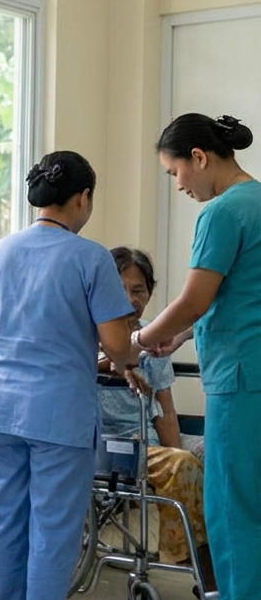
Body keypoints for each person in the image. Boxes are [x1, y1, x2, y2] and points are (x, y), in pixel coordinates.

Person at [0, 151, 135, 600]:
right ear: (82, 198)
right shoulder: (89, 258)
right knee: (54, 524)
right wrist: (134, 353)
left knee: (5, 517)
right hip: (57, 414)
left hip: (1, 407)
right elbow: (116, 344)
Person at [134, 113, 261, 600]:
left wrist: (138, 337)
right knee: (247, 504)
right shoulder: (257, 202)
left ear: (200, 157)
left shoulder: (222, 211)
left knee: (235, 511)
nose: (179, 185)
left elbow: (192, 297)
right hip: (249, 371)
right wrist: (182, 335)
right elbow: (235, 295)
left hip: (241, 379)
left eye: (175, 171)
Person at [100, 246, 211, 578]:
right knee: (182, 464)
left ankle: (225, 557)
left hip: (150, 445)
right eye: (120, 289)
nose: (131, 299)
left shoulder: (152, 333)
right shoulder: (89, 333)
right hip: (112, 448)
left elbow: (166, 410)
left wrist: (176, 452)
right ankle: (192, 563)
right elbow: (72, 371)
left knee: (215, 453)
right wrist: (115, 364)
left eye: (139, 290)